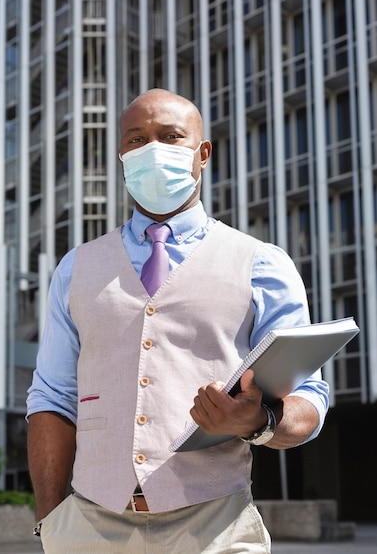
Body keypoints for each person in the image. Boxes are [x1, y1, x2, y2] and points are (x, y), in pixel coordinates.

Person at [27, 88, 329, 554]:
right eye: (136, 140)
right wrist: (50, 520)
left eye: (170, 137)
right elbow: (52, 398)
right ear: (123, 156)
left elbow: (309, 396)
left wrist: (260, 422)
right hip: (89, 527)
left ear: (202, 153)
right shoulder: (75, 268)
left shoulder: (261, 264)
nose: (152, 151)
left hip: (216, 526)